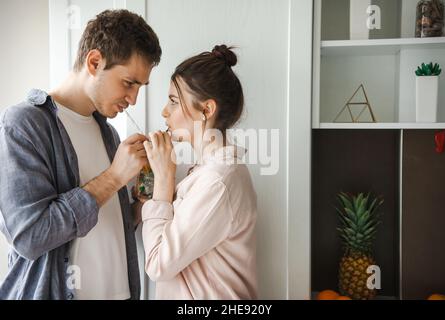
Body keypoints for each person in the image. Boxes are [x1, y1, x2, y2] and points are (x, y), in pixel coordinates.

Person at [0, 9, 161, 300]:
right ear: (94, 62)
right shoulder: (23, 124)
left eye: (140, 87)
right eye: (129, 83)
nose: (134, 99)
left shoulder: (109, 134)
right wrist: (114, 176)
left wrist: (138, 205)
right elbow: (30, 237)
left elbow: (106, 227)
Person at [140, 45, 258, 299]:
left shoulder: (217, 181)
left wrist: (163, 180)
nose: (164, 111)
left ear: (206, 110)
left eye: (173, 101)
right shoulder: (206, 173)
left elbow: (158, 264)